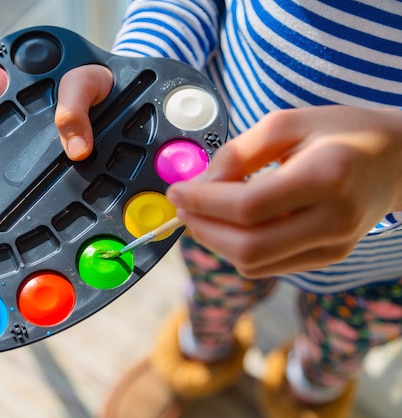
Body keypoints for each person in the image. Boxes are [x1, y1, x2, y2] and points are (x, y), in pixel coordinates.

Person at [54, 1, 402, 417]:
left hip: (382, 269)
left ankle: (308, 394)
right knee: (212, 298)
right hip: (219, 207)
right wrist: (138, 82)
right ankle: (202, 353)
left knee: (341, 345)